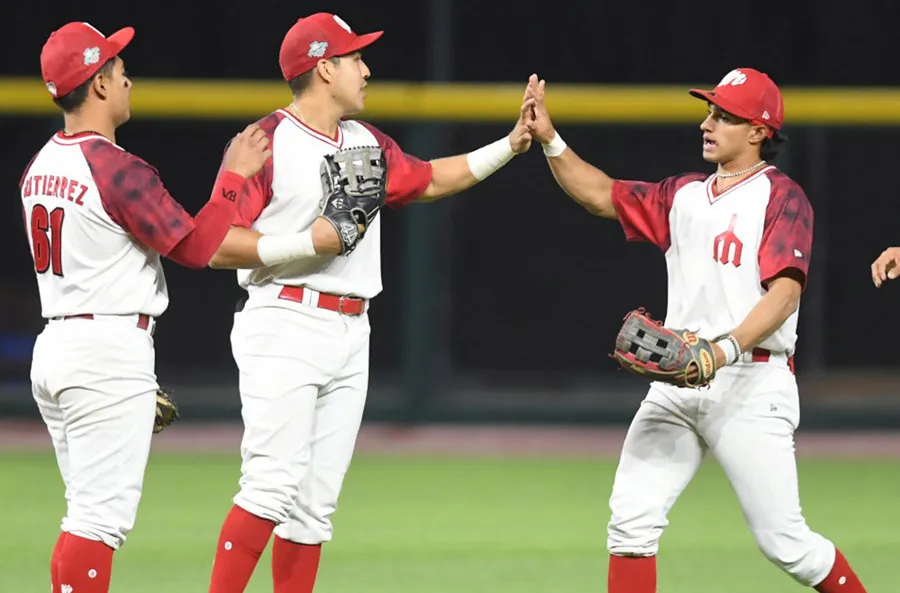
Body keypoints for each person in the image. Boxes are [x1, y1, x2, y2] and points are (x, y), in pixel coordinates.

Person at [202, 12, 535, 593]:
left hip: (352, 329)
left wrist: (509, 145)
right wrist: (310, 241)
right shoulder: (266, 140)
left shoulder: (367, 142)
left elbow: (429, 178)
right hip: (283, 319)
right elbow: (217, 244)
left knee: (313, 509)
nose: (367, 68)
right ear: (323, 66)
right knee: (270, 487)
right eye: (355, 57)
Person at [524, 70, 868, 593]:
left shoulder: (781, 196)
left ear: (758, 131)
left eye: (724, 116)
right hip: (676, 379)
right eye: (709, 112)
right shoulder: (682, 194)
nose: (707, 124)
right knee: (631, 523)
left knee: (786, 543)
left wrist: (724, 348)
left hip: (752, 383)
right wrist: (550, 140)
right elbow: (600, 194)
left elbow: (785, 293)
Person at [22, 21, 270, 593]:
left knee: (82, 515)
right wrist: (231, 178)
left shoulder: (39, 166)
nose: (126, 75)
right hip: (106, 353)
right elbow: (196, 247)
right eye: (116, 65)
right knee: (96, 523)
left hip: (58, 348)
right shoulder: (115, 168)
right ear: (99, 85)